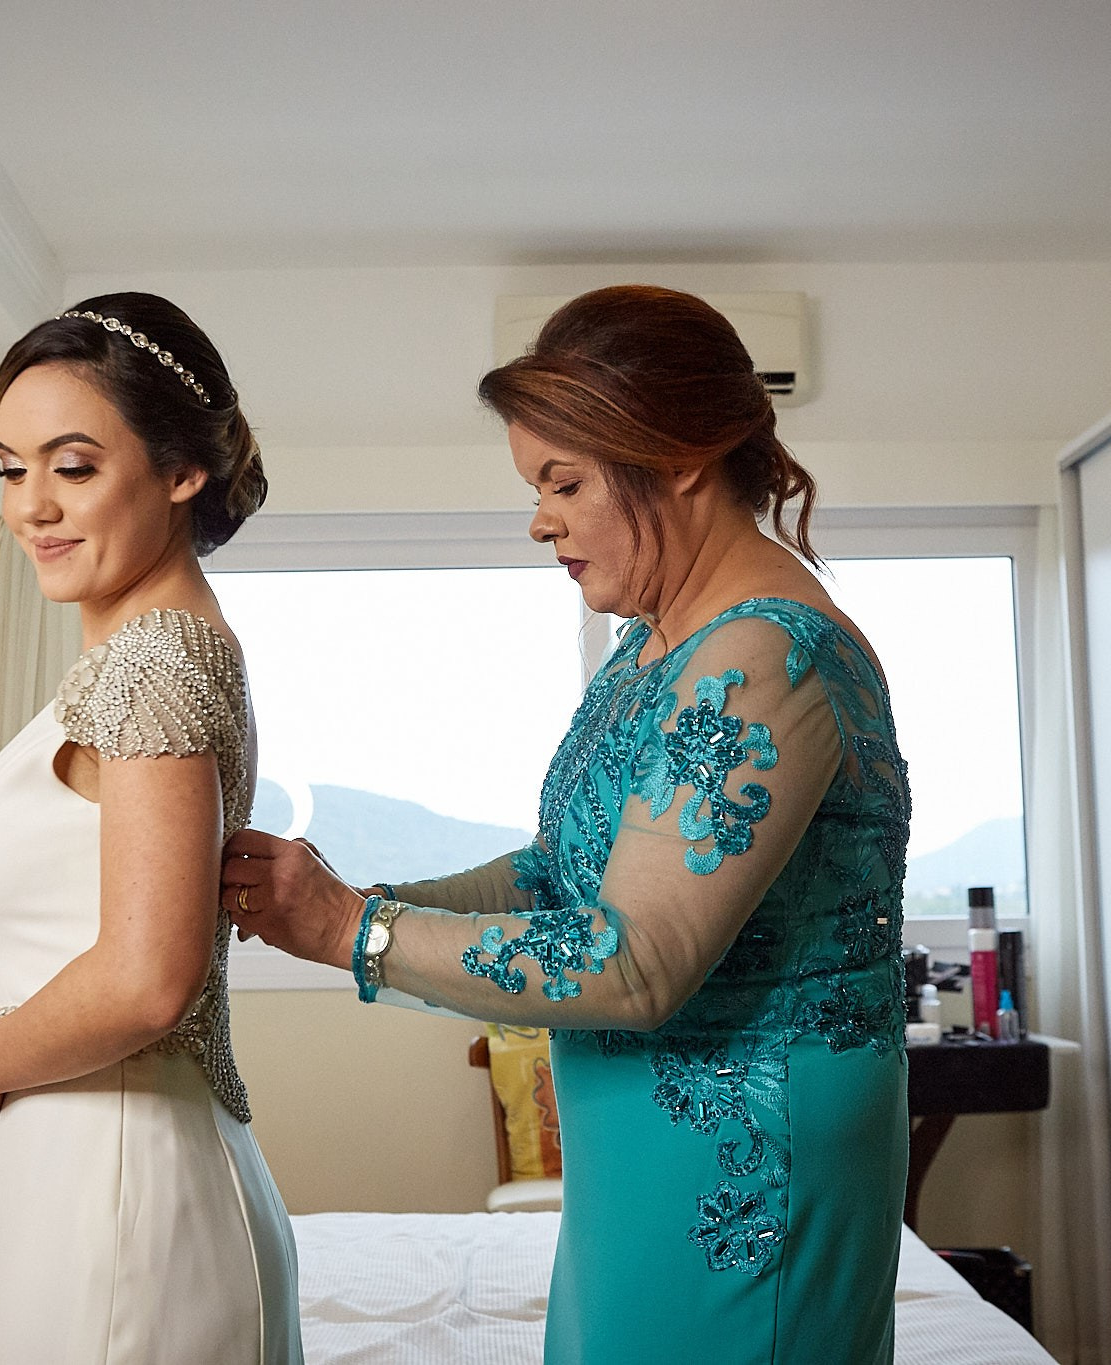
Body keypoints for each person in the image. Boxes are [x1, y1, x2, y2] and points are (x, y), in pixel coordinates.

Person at [224, 285, 910, 1364]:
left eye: (564, 482)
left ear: (679, 458)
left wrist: (353, 930)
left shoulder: (765, 655)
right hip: (634, 1160)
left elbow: (633, 962)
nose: (539, 519)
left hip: (743, 1171)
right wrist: (341, 900)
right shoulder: (655, 645)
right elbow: (556, 876)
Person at [0, 294, 303, 1364]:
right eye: (11, 470)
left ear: (181, 469)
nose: (31, 506)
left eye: (73, 466)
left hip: (124, 1203)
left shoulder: (158, 660)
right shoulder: (146, 653)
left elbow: (148, 978)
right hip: (99, 1186)